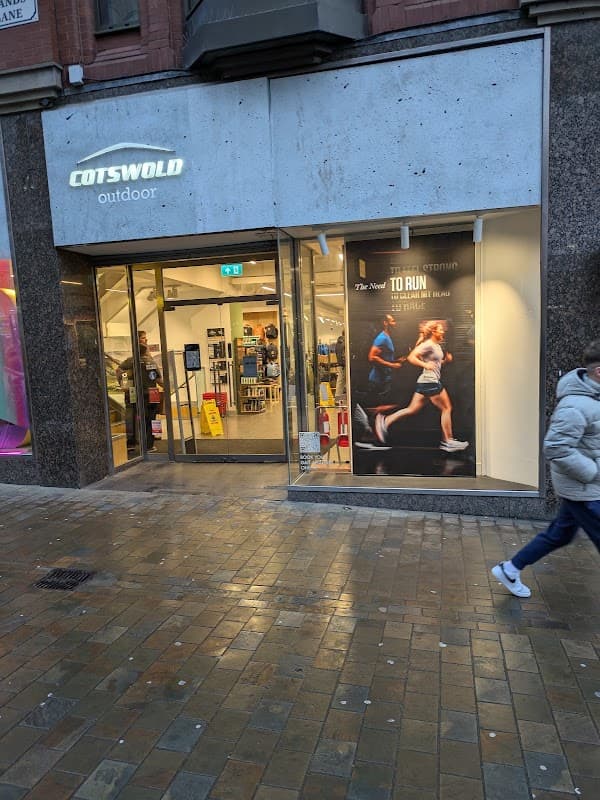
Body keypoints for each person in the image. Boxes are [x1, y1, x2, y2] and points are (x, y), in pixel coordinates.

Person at [492, 340, 600, 598]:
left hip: (586, 489)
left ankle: (510, 568)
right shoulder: (576, 405)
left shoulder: (592, 400)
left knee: (560, 534)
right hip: (586, 490)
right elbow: (556, 447)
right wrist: (593, 472)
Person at [373, 319, 468, 452]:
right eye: (440, 329)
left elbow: (435, 363)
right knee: (447, 408)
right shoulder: (428, 344)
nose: (443, 331)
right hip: (430, 381)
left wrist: (445, 361)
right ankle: (448, 441)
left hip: (426, 381)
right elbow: (412, 357)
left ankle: (385, 421)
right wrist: (425, 365)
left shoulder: (436, 345)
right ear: (434, 331)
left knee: (412, 409)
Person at [117, 331, 162, 452]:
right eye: (143, 338)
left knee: (131, 417)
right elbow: (158, 378)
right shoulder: (150, 361)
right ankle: (148, 444)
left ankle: (131, 443)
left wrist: (123, 383)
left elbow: (119, 371)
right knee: (150, 418)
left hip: (133, 393)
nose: (146, 340)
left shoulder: (129, 361)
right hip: (150, 394)